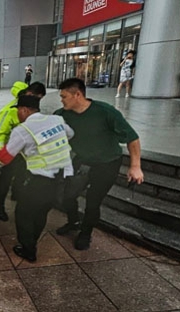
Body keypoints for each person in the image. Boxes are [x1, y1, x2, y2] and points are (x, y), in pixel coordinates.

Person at [0, 95, 74, 262]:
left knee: (23, 215)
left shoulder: (24, 129)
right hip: (61, 178)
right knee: (41, 212)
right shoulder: (56, 119)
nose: (18, 115)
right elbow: (70, 134)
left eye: (18, 112)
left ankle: (28, 250)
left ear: (24, 110)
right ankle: (33, 241)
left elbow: (5, 156)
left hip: (39, 180)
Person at [54, 78, 144, 250]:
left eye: (64, 96)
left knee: (93, 202)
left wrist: (135, 166)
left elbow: (132, 138)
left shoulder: (105, 112)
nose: (61, 100)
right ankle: (73, 222)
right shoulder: (61, 115)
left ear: (77, 95)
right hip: (82, 160)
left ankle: (85, 234)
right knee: (67, 195)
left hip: (107, 163)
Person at [0, 81, 47, 221]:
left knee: (21, 177)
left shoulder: (34, 110)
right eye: (36, 97)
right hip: (9, 152)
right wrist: (1, 154)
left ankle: (17, 197)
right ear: (29, 93)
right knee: (4, 180)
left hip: (25, 154)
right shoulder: (10, 111)